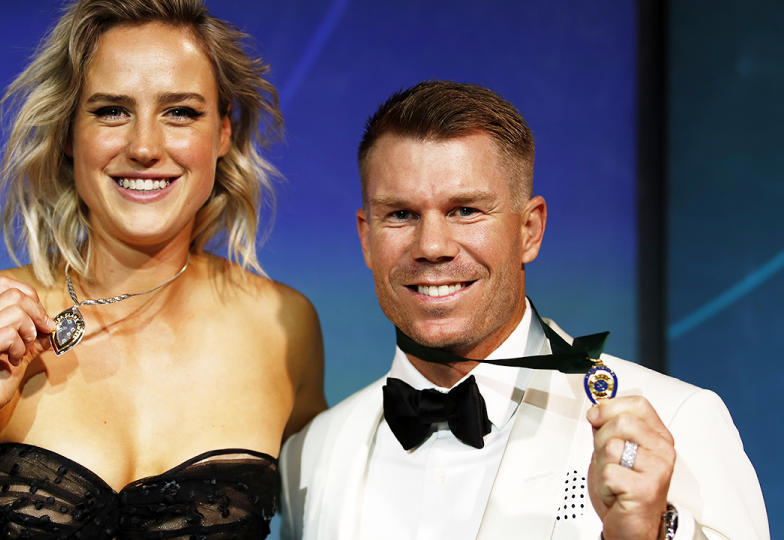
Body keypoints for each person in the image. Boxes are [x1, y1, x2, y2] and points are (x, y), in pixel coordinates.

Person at [0, 1, 326, 538]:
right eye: (111, 110)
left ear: (223, 132)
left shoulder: (282, 327)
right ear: (69, 134)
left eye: (180, 111)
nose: (143, 146)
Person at [279, 81, 768, 540]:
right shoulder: (311, 453)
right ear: (366, 238)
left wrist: (644, 532)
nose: (430, 246)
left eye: (465, 210)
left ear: (529, 230)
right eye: (401, 214)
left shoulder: (677, 421)